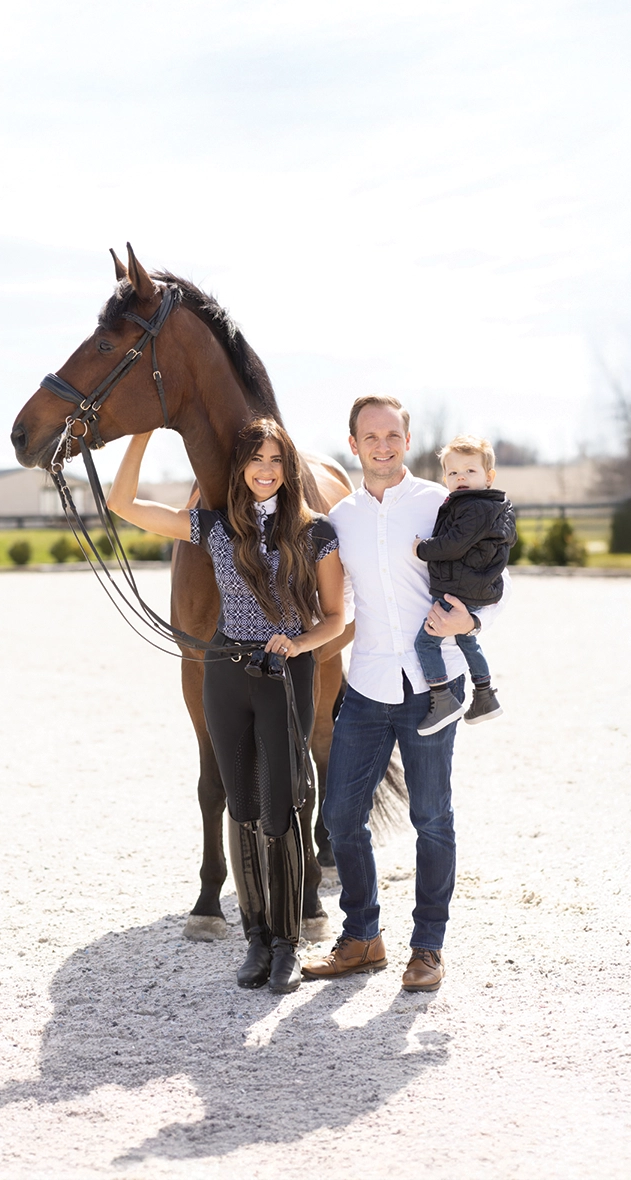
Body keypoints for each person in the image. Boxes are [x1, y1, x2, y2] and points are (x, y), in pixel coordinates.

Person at [107, 417, 346, 994]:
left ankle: (288, 942)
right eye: (255, 461)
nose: (265, 471)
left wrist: (298, 643)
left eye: (275, 461)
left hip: (283, 673)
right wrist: (143, 434)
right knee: (239, 804)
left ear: (289, 469)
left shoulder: (316, 533)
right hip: (223, 674)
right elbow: (122, 504)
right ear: (240, 468)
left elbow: (337, 618)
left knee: (283, 806)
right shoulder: (215, 528)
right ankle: (257, 938)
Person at [302, 396, 507, 994]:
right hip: (364, 687)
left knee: (431, 819)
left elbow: (497, 579)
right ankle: (363, 936)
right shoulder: (341, 519)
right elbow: (339, 610)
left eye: (392, 434)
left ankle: (428, 948)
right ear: (354, 443)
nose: (383, 445)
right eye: (371, 436)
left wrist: (471, 625)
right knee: (341, 816)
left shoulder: (443, 505)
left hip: (432, 687)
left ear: (407, 438)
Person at [411, 433, 515, 736]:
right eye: (453, 472)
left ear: (488, 476)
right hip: (472, 587)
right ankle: (485, 694)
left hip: (461, 587)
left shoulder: (475, 507)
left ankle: (442, 698)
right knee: (468, 639)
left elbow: (454, 544)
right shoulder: (483, 505)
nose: (461, 477)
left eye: (470, 471)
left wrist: (422, 549)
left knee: (426, 642)